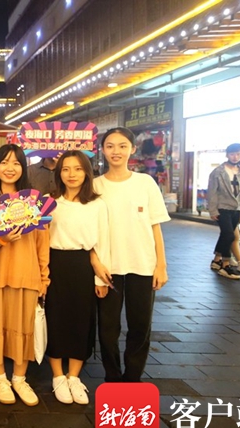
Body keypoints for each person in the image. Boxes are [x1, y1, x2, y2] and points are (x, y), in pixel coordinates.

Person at [0, 144, 50, 406]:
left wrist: (44, 278)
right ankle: (0, 379)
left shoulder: (33, 202)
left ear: (23, 168)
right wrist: (0, 239)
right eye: (4, 162)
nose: (10, 168)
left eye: (16, 163)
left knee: (23, 328)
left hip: (26, 274)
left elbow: (42, 244)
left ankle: (19, 378)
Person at [93, 127, 169, 383]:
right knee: (107, 328)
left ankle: (133, 376)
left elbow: (155, 226)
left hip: (143, 265)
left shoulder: (145, 183)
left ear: (133, 149)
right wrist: (96, 269)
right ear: (103, 150)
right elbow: (89, 230)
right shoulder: (95, 186)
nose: (116, 151)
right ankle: (112, 376)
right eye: (110, 146)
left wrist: (161, 266)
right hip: (108, 268)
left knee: (140, 325)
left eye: (122, 146)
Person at [46, 151, 110, 405]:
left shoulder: (97, 204)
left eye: (77, 169)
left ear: (87, 172)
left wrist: (101, 279)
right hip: (54, 263)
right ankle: (57, 376)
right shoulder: (49, 202)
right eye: (65, 169)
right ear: (59, 173)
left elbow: (102, 241)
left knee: (82, 320)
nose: (71, 174)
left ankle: (74, 376)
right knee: (54, 319)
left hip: (83, 265)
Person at [207, 143, 240, 279]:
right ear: (227, 155)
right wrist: (213, 210)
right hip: (222, 207)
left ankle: (216, 260)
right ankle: (225, 266)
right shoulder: (218, 171)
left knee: (225, 235)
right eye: (232, 154)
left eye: (238, 154)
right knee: (229, 235)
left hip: (236, 208)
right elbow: (212, 192)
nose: (235, 157)